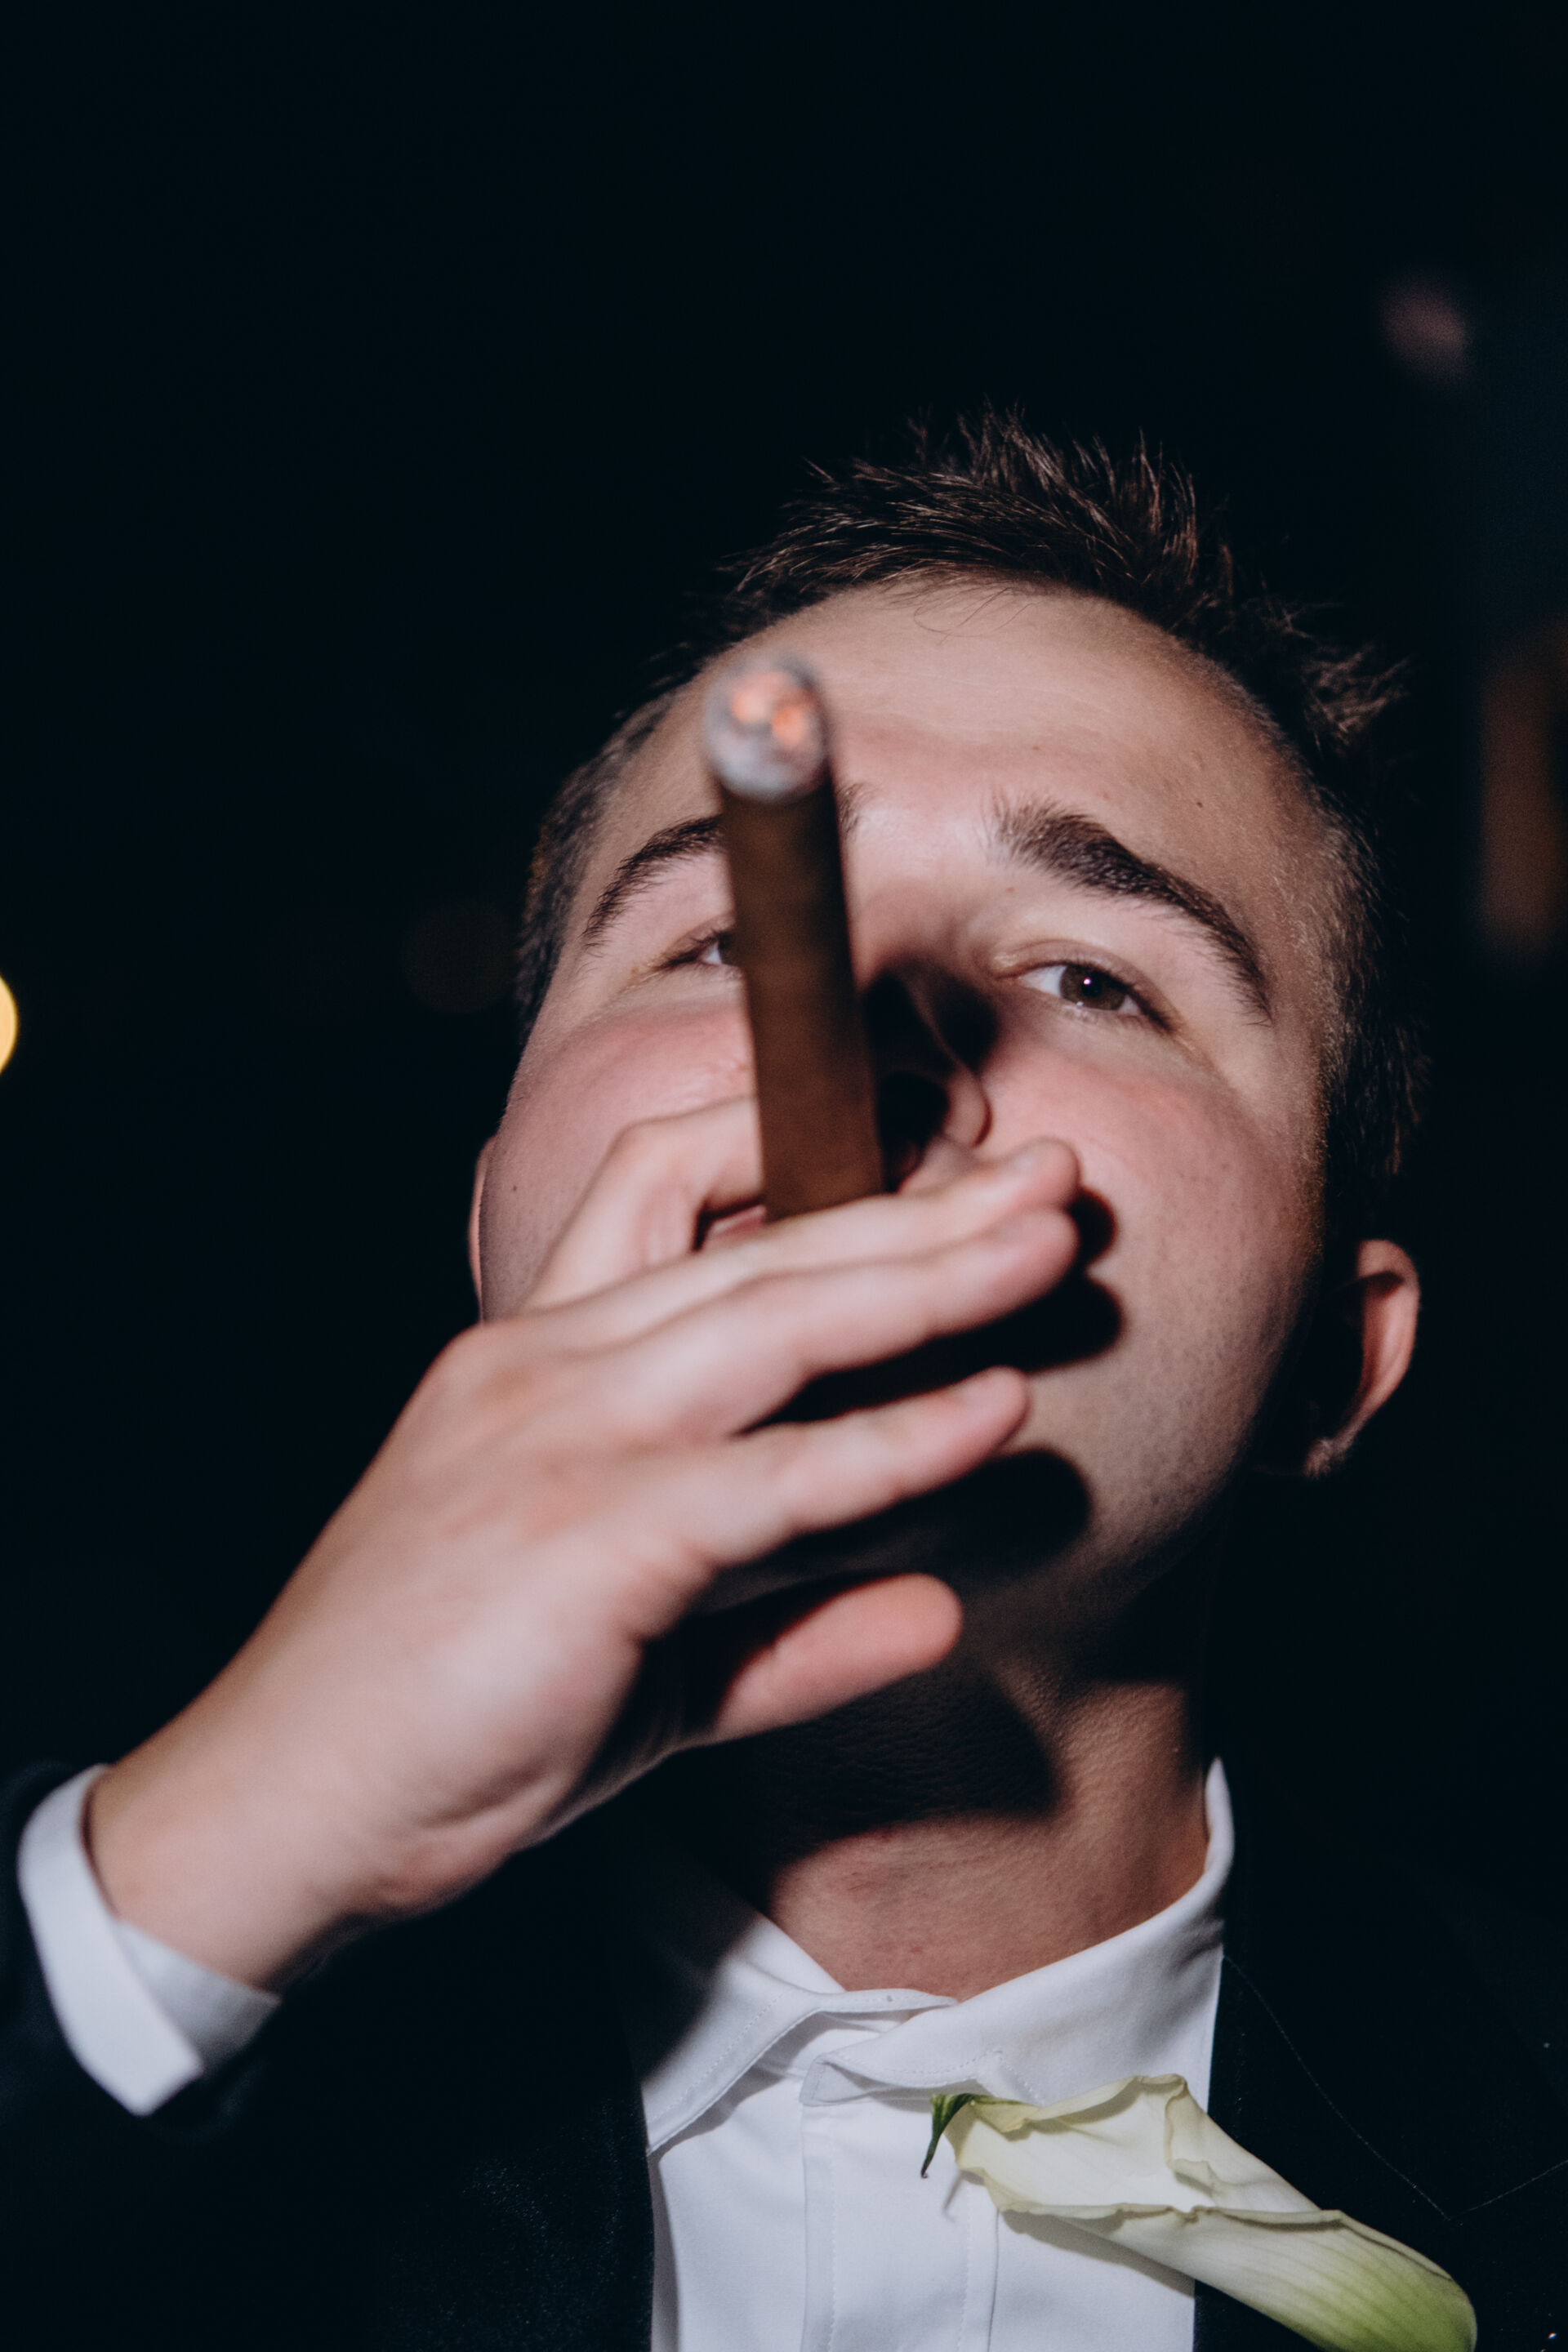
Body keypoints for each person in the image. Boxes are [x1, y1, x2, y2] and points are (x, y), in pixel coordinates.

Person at [3, 416, 1564, 2352]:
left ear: (1335, 1358)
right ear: (495, 1226)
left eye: (1094, 978)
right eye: (728, 935)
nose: (866, 1032)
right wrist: (199, 1870)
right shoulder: (182, 2082)